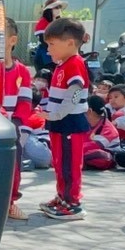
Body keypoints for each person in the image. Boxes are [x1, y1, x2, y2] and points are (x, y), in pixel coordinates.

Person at [38, 17, 91, 220]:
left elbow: (74, 94)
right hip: (59, 123)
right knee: (60, 163)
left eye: (52, 44)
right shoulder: (62, 65)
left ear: (69, 43)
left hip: (70, 123)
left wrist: (57, 114)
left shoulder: (75, 64)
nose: (48, 50)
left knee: (69, 165)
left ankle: (72, 203)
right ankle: (62, 197)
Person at [1, 18, 43, 220]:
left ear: (12, 40)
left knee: (14, 168)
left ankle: (9, 203)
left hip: (15, 129)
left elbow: (25, 103)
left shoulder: (22, 71)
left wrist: (17, 127)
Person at [82, 94, 121, 170]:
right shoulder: (84, 123)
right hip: (85, 151)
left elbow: (95, 145)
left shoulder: (108, 128)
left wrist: (72, 149)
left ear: (89, 111)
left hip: (106, 154)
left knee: (100, 155)